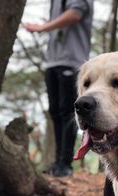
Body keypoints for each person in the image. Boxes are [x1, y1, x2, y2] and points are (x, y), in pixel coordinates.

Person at [24, 0, 94, 176]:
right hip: (53, 62)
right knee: (55, 113)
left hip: (72, 61)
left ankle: (66, 164)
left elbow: (74, 14)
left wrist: (42, 27)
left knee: (68, 113)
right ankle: (57, 163)